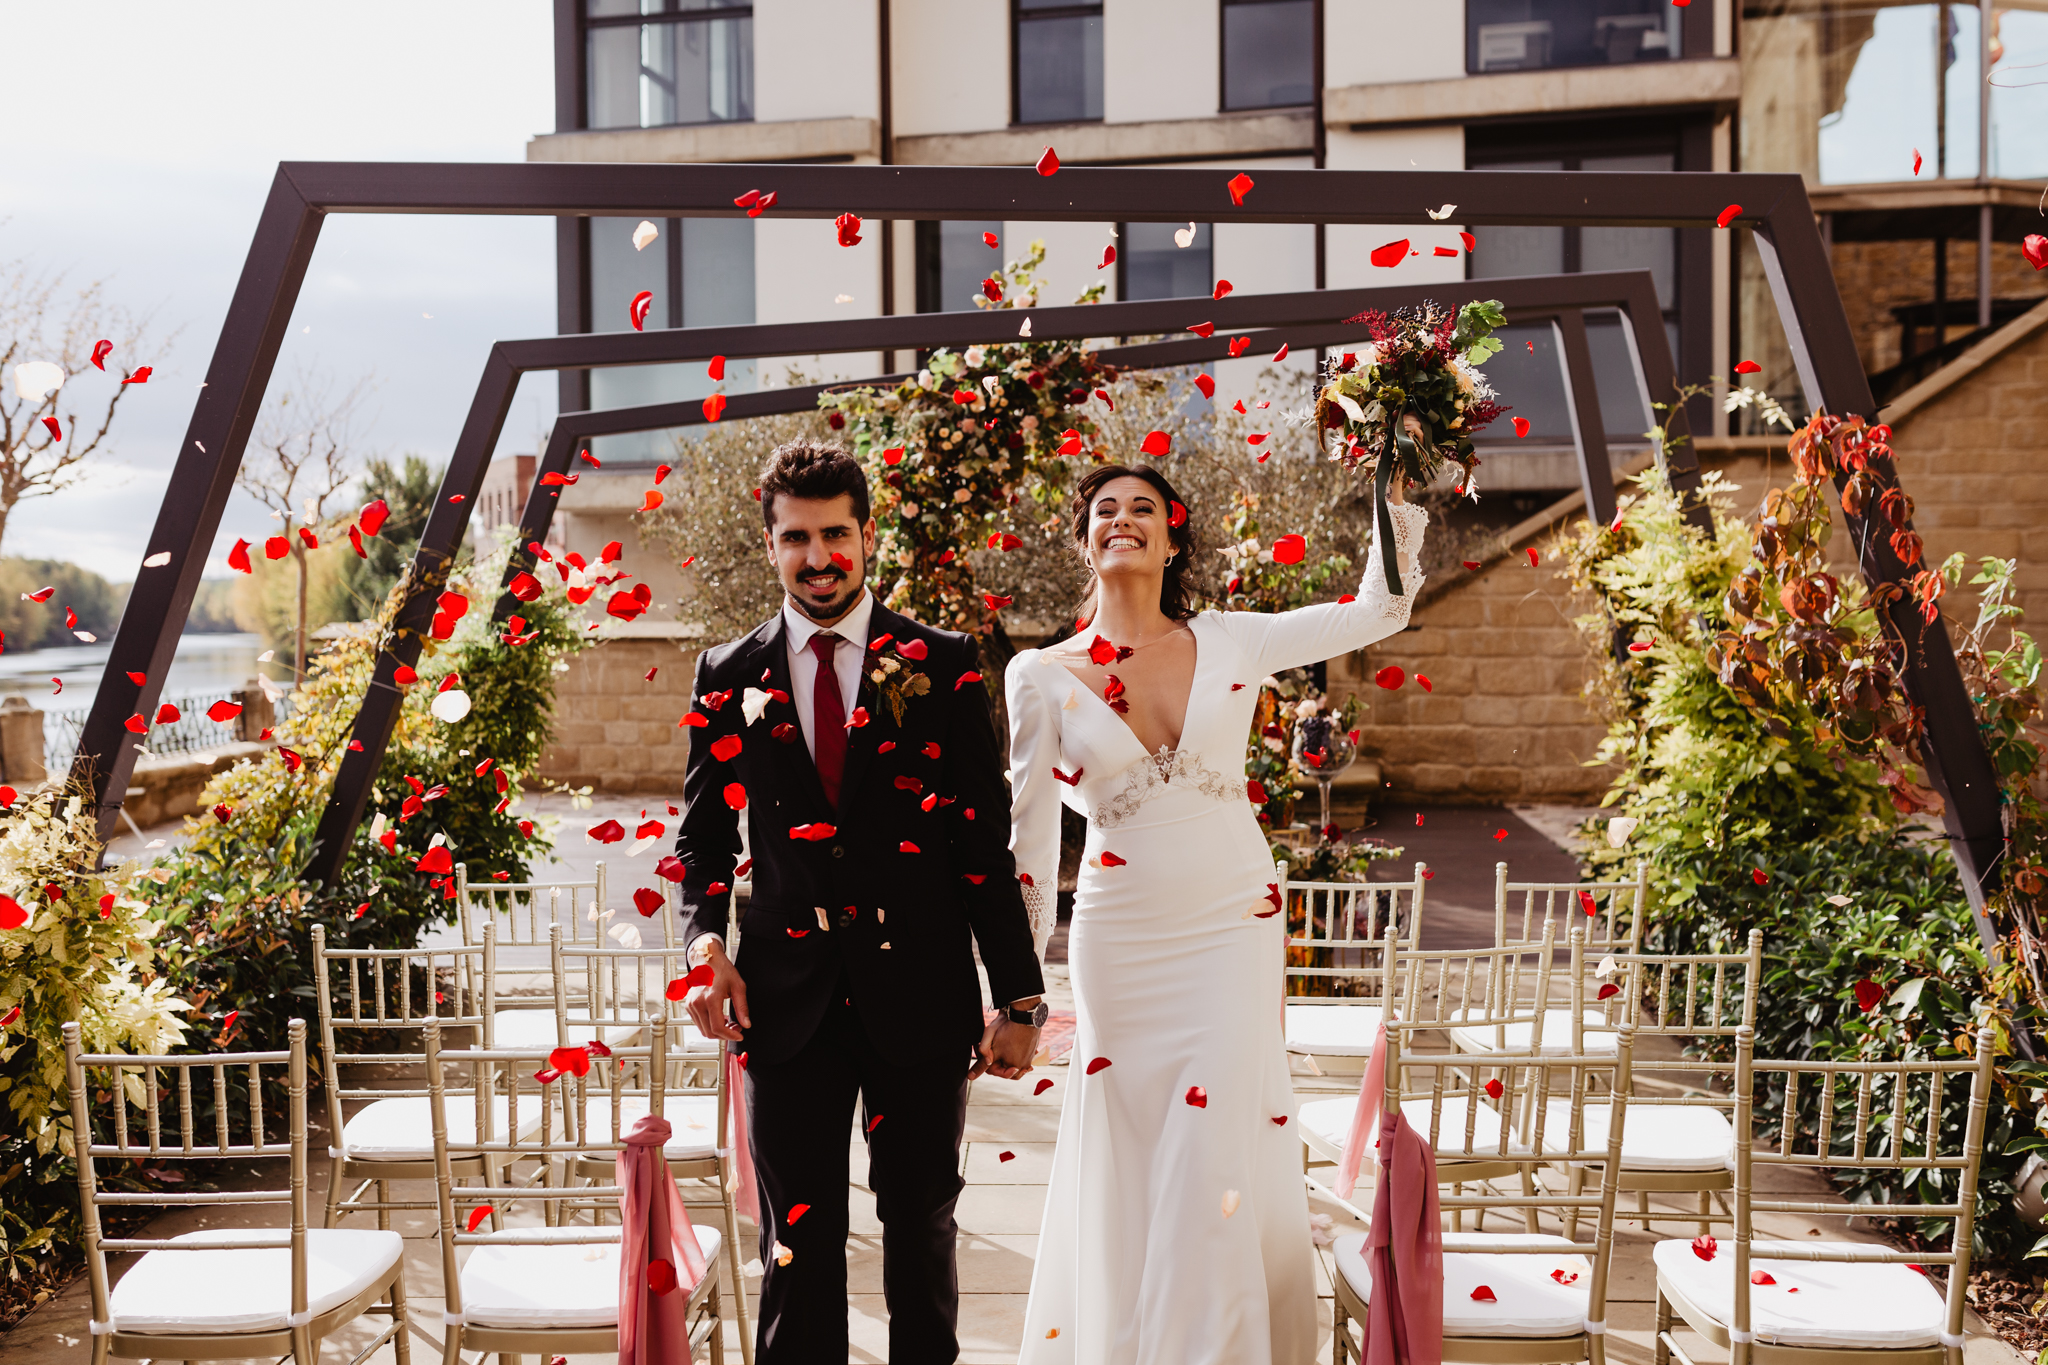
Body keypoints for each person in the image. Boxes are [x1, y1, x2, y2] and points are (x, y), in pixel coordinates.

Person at [1008, 460, 1427, 1363]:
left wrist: (1395, 501)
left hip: (1232, 919)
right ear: (1085, 538)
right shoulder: (1038, 675)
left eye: (1143, 508)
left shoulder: (1233, 639)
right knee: (1137, 1135)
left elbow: (1377, 612)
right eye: (1104, 509)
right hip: (1121, 935)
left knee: (1215, 1134)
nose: (1122, 518)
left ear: (1172, 537)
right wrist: (1018, 993)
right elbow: (1033, 849)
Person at [672, 440, 1048, 1364]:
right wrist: (701, 949)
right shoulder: (728, 675)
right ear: (770, 546)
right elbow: (705, 839)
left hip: (920, 992)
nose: (819, 555)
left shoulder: (947, 663)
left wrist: (1021, 994)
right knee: (796, 1244)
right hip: (783, 998)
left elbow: (977, 847)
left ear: (867, 534)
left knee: (921, 1223)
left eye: (835, 532)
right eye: (796, 537)